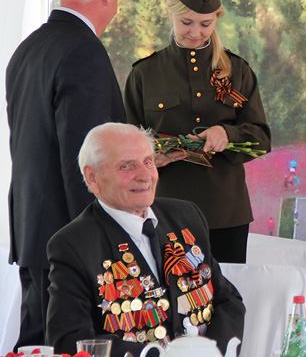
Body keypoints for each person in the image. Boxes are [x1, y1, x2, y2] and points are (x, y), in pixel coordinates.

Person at [6, 0, 126, 348]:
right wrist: (97, 241)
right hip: (69, 240)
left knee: (37, 345)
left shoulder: (28, 48)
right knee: (72, 348)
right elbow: (85, 160)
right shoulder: (83, 52)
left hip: (32, 230)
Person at [46, 123, 245, 355]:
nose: (145, 176)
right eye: (126, 166)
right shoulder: (73, 245)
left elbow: (227, 300)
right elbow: (69, 339)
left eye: (148, 162)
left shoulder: (186, 217)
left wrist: (209, 352)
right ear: (92, 177)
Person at [124, 0, 271, 263]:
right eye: (186, 22)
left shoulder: (237, 70)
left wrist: (226, 134)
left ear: (217, 19)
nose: (195, 32)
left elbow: (260, 140)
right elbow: (125, 145)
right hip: (163, 211)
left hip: (226, 214)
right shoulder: (144, 74)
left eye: (206, 24)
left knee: (224, 290)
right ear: (171, 15)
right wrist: (149, 159)